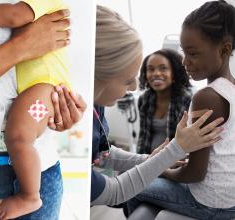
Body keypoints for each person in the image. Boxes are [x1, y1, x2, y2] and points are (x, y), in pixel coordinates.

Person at [0, 0, 85, 220]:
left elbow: (14, 16)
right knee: (20, 136)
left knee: (19, 136)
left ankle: (30, 196)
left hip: (43, 94)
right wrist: (20, 47)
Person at [90, 5, 224, 206]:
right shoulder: (144, 101)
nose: (134, 87)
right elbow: (113, 192)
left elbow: (99, 155)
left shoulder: (96, 106)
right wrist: (171, 153)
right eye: (127, 80)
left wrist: (150, 160)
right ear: (97, 76)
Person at [127, 1, 235, 219]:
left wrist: (159, 169)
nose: (185, 61)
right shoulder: (231, 88)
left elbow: (195, 173)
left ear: (224, 49)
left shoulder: (207, 97)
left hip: (213, 204)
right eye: (184, 52)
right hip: (229, 197)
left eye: (193, 54)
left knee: (132, 187)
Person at [137, 49, 192, 154]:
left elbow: (188, 142)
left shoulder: (187, 100)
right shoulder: (144, 99)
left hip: (175, 160)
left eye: (163, 68)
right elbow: (143, 137)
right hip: (148, 158)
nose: (156, 73)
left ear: (174, 73)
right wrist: (140, 163)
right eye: (150, 69)